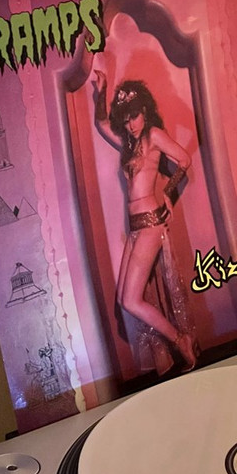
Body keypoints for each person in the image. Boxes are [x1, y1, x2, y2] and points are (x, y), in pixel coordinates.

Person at [93, 72, 197, 373]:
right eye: (126, 120)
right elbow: (101, 124)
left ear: (145, 111)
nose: (131, 124)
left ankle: (181, 340)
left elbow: (185, 159)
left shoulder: (153, 135)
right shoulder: (128, 144)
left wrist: (167, 192)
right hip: (135, 227)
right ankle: (176, 341)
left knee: (131, 300)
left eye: (135, 116)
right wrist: (102, 90)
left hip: (150, 223)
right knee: (123, 299)